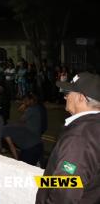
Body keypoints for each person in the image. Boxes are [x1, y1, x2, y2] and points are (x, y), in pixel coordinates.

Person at [36, 72, 100, 203]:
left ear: (81, 98)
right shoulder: (95, 125)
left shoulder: (78, 139)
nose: (65, 97)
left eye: (68, 93)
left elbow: (65, 194)